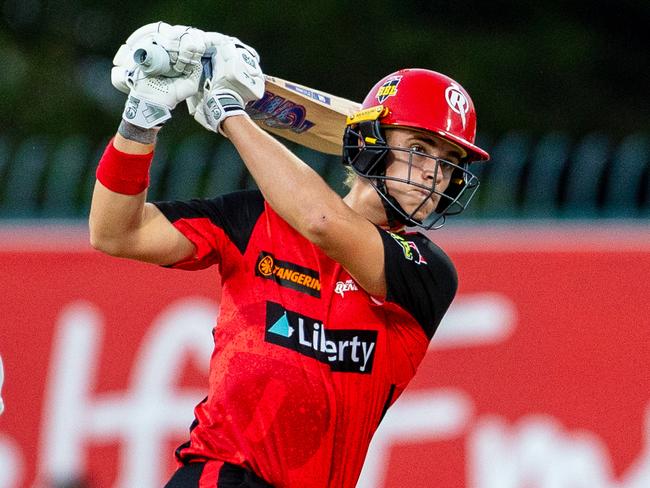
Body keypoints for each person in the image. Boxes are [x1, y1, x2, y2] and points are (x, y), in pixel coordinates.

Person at [89, 22, 490, 488]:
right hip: (216, 476)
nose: (435, 173)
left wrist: (228, 112)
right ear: (373, 142)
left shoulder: (427, 271)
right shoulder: (252, 219)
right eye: (419, 149)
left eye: (449, 160)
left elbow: (322, 222)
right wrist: (142, 116)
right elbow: (116, 232)